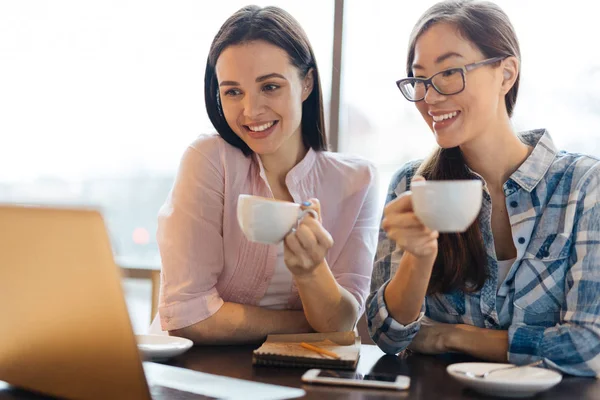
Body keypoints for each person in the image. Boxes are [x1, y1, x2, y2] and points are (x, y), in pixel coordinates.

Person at [367, 0, 600, 377]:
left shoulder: (584, 186)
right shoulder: (413, 185)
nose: (430, 97)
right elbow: (389, 336)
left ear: (506, 74)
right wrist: (420, 255)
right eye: (420, 78)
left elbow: (589, 347)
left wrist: (452, 337)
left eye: (449, 72)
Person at [156, 5, 379, 344]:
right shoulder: (208, 160)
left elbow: (344, 318)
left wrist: (311, 271)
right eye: (233, 92)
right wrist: (309, 326)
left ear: (306, 83)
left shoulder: (357, 181)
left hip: (299, 379)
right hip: (196, 372)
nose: (250, 110)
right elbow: (187, 317)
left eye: (270, 87)